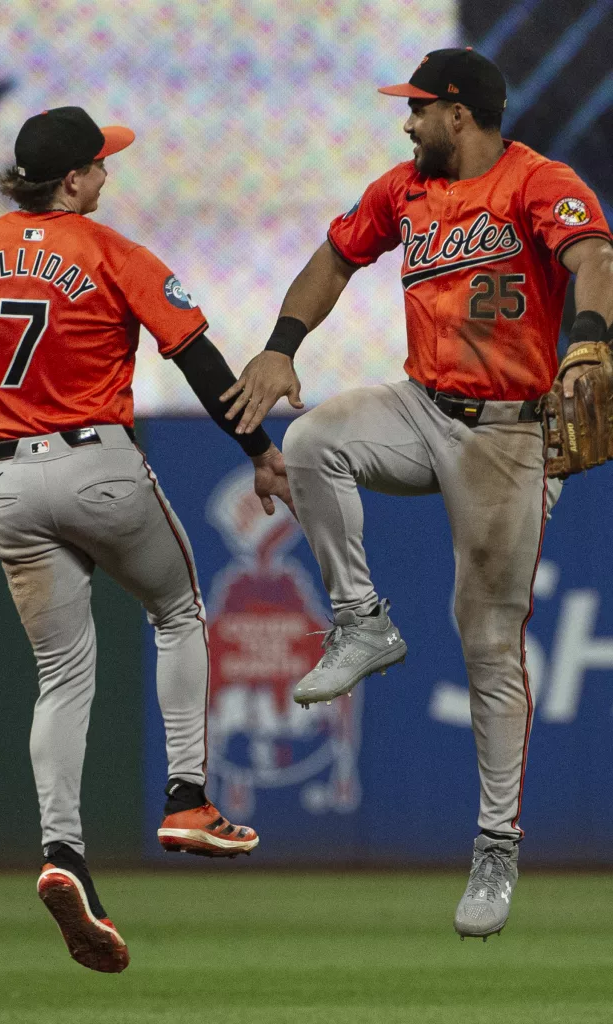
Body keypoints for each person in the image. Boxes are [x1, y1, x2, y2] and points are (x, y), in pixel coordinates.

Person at [0, 106, 293, 973]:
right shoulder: (111, 251)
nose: (107, 177)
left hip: (9, 481)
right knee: (177, 610)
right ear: (74, 180)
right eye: (100, 166)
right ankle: (189, 798)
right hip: (98, 465)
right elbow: (199, 359)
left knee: (61, 674)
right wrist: (261, 452)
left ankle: (63, 853)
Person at [224, 49, 613, 939]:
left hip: (511, 430)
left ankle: (495, 846)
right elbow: (331, 260)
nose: (406, 123)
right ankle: (361, 619)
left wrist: (587, 339)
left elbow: (594, 257)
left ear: (460, 114)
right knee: (316, 438)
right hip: (420, 404)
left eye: (418, 109)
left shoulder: (537, 181)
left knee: (485, 639)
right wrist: (282, 343)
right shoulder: (403, 189)